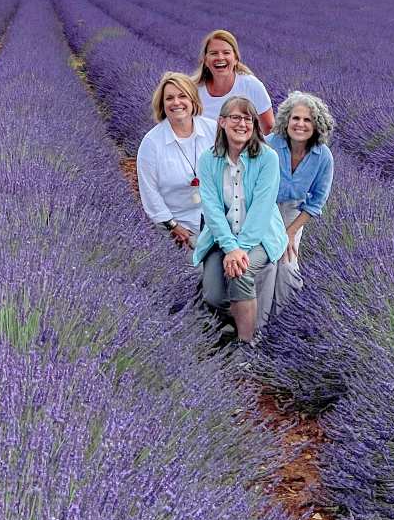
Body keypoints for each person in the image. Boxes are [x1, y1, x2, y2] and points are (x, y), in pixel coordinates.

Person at [193, 97, 287, 344]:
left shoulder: (268, 158)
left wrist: (240, 249)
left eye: (248, 119)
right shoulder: (208, 159)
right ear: (222, 122)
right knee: (213, 295)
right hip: (221, 238)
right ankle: (230, 324)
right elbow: (211, 209)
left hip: (259, 237)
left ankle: (247, 343)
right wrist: (229, 247)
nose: (242, 124)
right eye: (235, 117)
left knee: (240, 273)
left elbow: (262, 210)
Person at [260, 91, 335, 318]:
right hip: (264, 210)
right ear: (286, 120)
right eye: (296, 118)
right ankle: (256, 327)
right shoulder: (269, 145)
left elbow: (316, 202)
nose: (300, 124)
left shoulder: (323, 157)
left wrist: (289, 233)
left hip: (294, 213)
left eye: (307, 120)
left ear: (316, 125)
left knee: (287, 270)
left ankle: (283, 325)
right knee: (266, 266)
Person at [137, 71, 217, 249]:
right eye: (169, 98)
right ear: (162, 104)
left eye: (183, 96)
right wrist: (173, 225)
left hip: (216, 220)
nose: (176, 102)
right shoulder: (152, 143)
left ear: (193, 100)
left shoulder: (213, 130)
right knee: (193, 272)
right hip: (178, 224)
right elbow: (149, 192)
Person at [190, 30, 274, 135]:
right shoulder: (193, 90)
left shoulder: (251, 85)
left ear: (236, 59)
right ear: (205, 60)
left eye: (226, 53)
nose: (220, 57)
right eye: (214, 53)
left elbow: (269, 128)